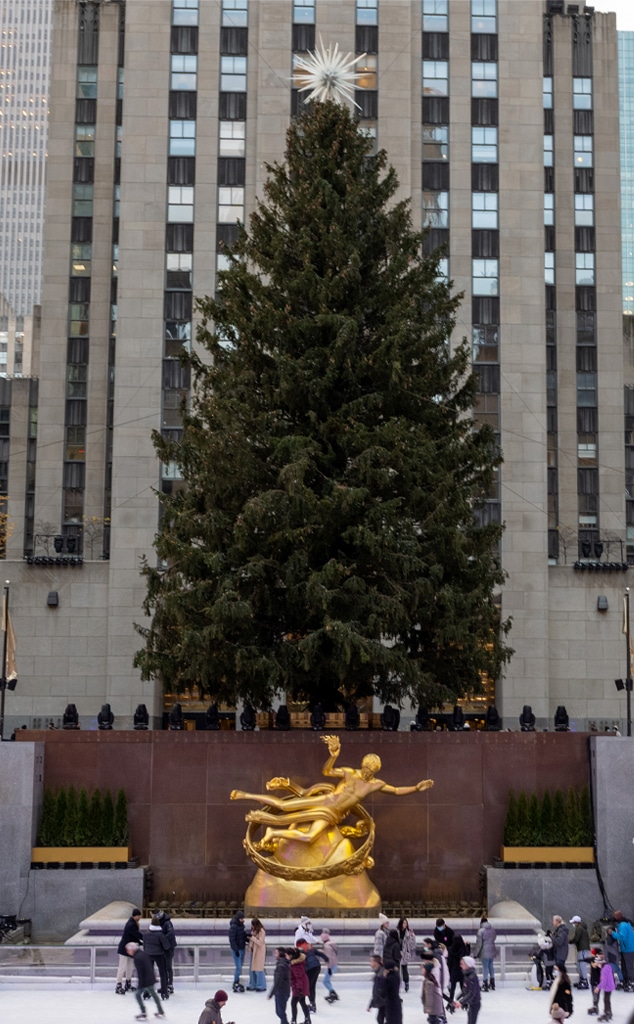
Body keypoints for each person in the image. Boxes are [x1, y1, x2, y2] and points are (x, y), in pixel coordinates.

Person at [231, 733, 433, 851]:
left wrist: (416, 788)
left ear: (375, 772)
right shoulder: (349, 772)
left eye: (370, 771)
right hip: (326, 801)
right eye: (365, 768)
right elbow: (327, 771)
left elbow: (396, 791)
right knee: (283, 806)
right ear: (361, 765)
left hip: (332, 814)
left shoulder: (376, 784)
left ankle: (273, 832)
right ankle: (245, 795)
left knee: (310, 837)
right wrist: (333, 756)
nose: (366, 773)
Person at [125, 942, 165, 1020]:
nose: (127, 952)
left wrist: (141, 984)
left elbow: (141, 972)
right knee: (153, 994)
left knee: (138, 995)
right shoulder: (142, 954)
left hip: (146, 980)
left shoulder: (137, 957)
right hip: (150, 978)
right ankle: (160, 1011)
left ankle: (144, 1012)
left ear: (132, 949)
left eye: (128, 950)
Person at [115, 907, 143, 995]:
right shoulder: (131, 924)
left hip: (130, 949)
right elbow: (136, 935)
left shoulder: (133, 923)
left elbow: (134, 937)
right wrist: (145, 939)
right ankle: (118, 985)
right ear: (136, 916)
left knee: (130, 967)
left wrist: (140, 942)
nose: (140, 918)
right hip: (124, 950)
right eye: (139, 916)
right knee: (122, 967)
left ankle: (128, 983)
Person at [144, 914, 170, 1000]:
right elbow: (166, 946)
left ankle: (147, 992)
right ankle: (164, 992)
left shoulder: (146, 933)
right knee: (163, 973)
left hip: (148, 954)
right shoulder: (160, 934)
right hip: (159, 955)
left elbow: (144, 945)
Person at [297, 939, 328, 1012]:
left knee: (309, 987)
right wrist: (326, 959)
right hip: (317, 966)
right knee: (312, 986)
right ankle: (313, 1004)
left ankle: (312, 1005)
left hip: (310, 968)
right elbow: (320, 954)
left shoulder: (301, 949)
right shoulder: (310, 947)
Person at [610, 911, 634, 989]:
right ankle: (626, 981)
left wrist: (612, 933)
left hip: (628, 949)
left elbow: (622, 936)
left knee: (628, 966)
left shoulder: (623, 925)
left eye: (614, 916)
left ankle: (631, 982)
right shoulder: (626, 923)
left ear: (617, 917)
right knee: (624, 966)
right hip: (626, 948)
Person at [454, 956, 481, 1024]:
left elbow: (471, 993)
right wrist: (458, 998)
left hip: (474, 1003)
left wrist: (461, 1002)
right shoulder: (467, 975)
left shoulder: (472, 977)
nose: (460, 966)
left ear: (468, 965)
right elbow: (465, 989)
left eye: (462, 964)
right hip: (470, 1003)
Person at [288, 946, 312, 1024]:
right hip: (301, 986)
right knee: (302, 1001)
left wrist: (299, 989)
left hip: (299, 987)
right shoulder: (296, 963)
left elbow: (299, 978)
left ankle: (294, 1020)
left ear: (291, 955)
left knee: (293, 1003)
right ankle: (307, 1019)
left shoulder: (296, 965)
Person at [474, 914, 496, 992]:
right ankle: (492, 983)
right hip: (492, 950)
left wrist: (475, 954)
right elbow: (494, 938)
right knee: (491, 966)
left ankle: (485, 983)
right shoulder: (492, 929)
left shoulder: (481, 931)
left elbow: (479, 944)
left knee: (485, 967)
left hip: (484, 951)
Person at [269, 947, 291, 1024]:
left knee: (280, 1012)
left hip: (282, 992)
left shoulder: (281, 966)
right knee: (281, 1012)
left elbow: (278, 981)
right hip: (283, 991)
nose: (275, 955)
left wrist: (271, 994)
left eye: (276, 953)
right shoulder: (283, 964)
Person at [569, 915, 591, 989]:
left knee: (582, 964)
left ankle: (585, 981)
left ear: (576, 922)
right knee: (580, 964)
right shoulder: (582, 928)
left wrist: (570, 941)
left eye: (574, 922)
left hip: (583, 949)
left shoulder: (579, 929)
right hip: (582, 948)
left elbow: (576, 938)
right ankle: (582, 980)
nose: (573, 924)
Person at [158, 910, 176, 995]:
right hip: (164, 947)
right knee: (164, 966)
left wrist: (163, 938)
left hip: (169, 947)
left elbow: (171, 932)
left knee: (168, 966)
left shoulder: (167, 923)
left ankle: (170, 985)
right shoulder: (161, 923)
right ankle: (165, 985)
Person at [229, 909, 247, 993]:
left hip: (242, 948)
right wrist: (235, 949)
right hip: (237, 949)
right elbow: (232, 939)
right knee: (238, 967)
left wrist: (247, 938)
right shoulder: (234, 926)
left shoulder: (241, 926)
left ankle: (237, 980)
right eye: (241, 919)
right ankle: (236, 981)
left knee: (240, 966)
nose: (243, 920)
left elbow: (242, 935)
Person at [397, 917, 417, 993]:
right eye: (404, 923)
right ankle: (397, 984)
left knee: (404, 969)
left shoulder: (408, 933)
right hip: (397, 953)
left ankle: (406, 983)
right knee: (397, 969)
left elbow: (412, 946)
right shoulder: (396, 932)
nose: (405, 924)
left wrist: (412, 937)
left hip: (405, 954)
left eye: (406, 923)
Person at [320, 929, 339, 1003]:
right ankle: (332, 994)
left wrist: (329, 968)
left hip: (331, 966)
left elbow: (329, 958)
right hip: (334, 964)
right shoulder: (331, 943)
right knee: (327, 980)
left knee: (325, 981)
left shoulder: (327, 946)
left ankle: (333, 993)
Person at [447, 933, 468, 1002]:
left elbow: (449, 962)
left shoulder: (450, 949)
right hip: (462, 970)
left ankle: (450, 1003)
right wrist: (468, 946)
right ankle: (464, 1002)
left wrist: (449, 971)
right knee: (463, 987)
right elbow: (467, 955)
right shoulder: (464, 948)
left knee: (452, 988)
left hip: (454, 970)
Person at [594, 953, 616, 1021]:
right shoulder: (607, 966)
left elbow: (604, 981)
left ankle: (607, 1013)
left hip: (608, 987)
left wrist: (598, 987)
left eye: (597, 963)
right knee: (607, 1000)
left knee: (606, 1000)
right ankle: (609, 1012)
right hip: (609, 986)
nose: (597, 965)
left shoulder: (604, 969)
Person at [422, 960, 444, 1024]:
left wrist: (428, 1007)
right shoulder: (430, 978)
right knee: (432, 1020)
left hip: (433, 1007)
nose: (422, 970)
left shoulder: (429, 982)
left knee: (433, 1020)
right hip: (434, 1006)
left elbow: (429, 996)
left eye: (423, 969)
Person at [248, 917, 267, 991]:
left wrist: (252, 938)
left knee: (259, 969)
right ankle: (253, 984)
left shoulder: (262, 931)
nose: (252, 926)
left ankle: (261, 985)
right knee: (252, 969)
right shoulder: (254, 930)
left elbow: (260, 942)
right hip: (254, 951)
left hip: (259, 952)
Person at [383, 959, 403, 1024]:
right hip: (397, 1001)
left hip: (391, 1003)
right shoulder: (397, 976)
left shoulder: (388, 979)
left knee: (391, 1020)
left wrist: (384, 977)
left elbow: (384, 991)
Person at [368, 954, 387, 1024]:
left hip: (386, 1003)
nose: (370, 963)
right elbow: (376, 991)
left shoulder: (382, 974)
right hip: (383, 1003)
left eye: (371, 961)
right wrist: (371, 1004)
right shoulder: (378, 973)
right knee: (379, 1019)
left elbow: (381, 990)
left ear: (376, 963)